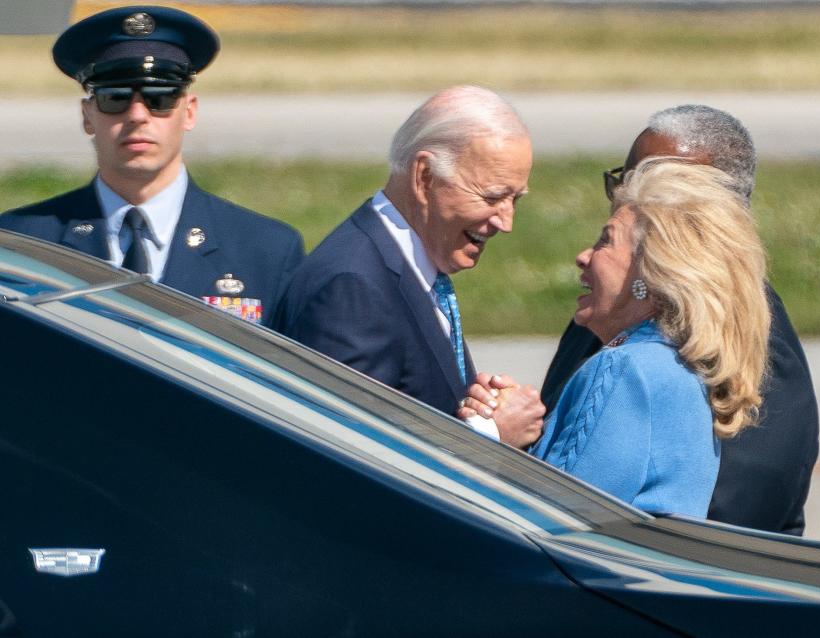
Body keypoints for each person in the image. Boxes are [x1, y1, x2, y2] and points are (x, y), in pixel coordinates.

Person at [539, 105, 819, 534]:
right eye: (626, 178)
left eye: (654, 180)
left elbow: (736, 515)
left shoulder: (736, 344)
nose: (627, 195)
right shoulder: (618, 326)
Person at [466, 160, 770, 516]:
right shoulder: (676, 366)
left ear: (653, 274)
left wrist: (489, 438)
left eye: (605, 241)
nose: (584, 257)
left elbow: (549, 527)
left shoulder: (624, 369)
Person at [0, 5, 303, 328]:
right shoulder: (21, 243)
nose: (137, 115)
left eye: (159, 98)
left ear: (189, 112)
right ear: (88, 116)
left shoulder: (265, 250)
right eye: (114, 98)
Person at [276, 86, 542, 448]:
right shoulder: (353, 289)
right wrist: (492, 436)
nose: (506, 222)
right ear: (425, 177)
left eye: (516, 200)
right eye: (493, 197)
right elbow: (346, 454)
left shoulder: (411, 263)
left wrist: (478, 407)